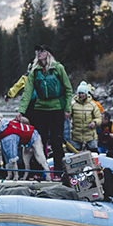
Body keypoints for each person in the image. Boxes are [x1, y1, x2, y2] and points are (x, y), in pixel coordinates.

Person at [18, 45, 72, 179]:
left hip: (56, 108)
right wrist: (21, 111)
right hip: (40, 108)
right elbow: (27, 92)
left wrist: (67, 109)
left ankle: (59, 172)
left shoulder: (58, 68)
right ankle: (38, 172)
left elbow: (68, 89)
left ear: (48, 54)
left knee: (56, 140)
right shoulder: (34, 71)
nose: (38, 53)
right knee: (38, 141)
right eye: (37, 51)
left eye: (41, 51)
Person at [0, 114, 50, 180]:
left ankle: (48, 175)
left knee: (40, 157)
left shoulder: (9, 133)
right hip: (25, 143)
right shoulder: (5, 134)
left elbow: (12, 155)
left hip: (33, 138)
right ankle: (20, 176)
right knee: (25, 161)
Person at [70, 81, 102, 151]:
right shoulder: (73, 105)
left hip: (90, 135)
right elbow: (68, 118)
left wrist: (94, 122)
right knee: (74, 154)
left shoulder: (93, 105)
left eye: (82, 93)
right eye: (79, 93)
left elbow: (99, 118)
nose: (81, 95)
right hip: (76, 135)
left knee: (94, 153)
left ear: (86, 94)